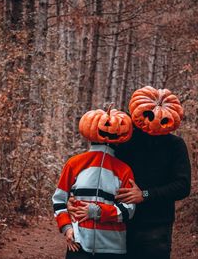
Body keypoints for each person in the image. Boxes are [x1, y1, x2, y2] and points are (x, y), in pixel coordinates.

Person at [69, 86, 191, 259]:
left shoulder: (175, 145)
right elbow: (100, 172)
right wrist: (76, 198)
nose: (150, 121)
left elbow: (183, 186)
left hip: (155, 226)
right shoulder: (122, 139)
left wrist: (144, 195)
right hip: (118, 222)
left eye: (158, 118)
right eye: (147, 115)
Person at [52, 106, 136, 259]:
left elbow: (128, 210)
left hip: (113, 248)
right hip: (78, 244)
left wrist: (97, 211)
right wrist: (67, 228)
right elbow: (59, 200)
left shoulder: (124, 170)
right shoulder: (74, 164)